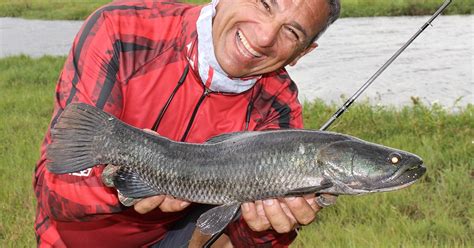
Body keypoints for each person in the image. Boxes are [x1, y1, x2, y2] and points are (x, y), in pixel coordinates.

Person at [33, 0, 340, 247]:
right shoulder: (120, 30)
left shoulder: (278, 105)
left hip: (171, 236)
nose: (264, 37)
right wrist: (125, 185)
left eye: (292, 33)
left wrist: (273, 228)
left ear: (302, 53)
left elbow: (245, 238)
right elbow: (54, 187)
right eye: (264, 3)